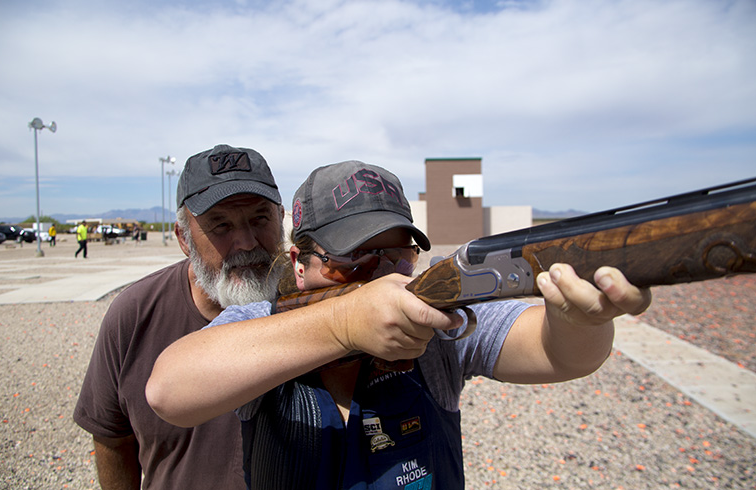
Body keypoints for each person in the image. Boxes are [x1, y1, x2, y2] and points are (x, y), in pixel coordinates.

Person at [147, 160, 652, 489]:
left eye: (398, 254)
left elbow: (561, 354)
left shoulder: (435, 325)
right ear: (299, 263)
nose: (386, 278)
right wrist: (344, 321)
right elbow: (170, 390)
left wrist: (580, 319)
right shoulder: (259, 324)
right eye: (356, 258)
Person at [74, 144, 285, 489]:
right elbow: (112, 438)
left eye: (260, 219)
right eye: (220, 226)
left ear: (281, 218)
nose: (246, 242)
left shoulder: (311, 303)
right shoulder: (134, 314)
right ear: (184, 238)